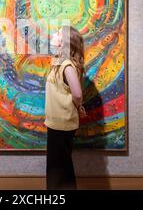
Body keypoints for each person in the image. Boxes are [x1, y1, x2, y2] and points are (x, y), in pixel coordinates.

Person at [44, 25, 87, 190]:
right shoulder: (58, 63)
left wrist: (79, 106)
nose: (54, 34)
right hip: (55, 122)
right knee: (56, 167)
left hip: (63, 123)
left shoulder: (67, 65)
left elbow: (77, 94)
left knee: (61, 168)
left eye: (58, 33)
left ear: (65, 42)